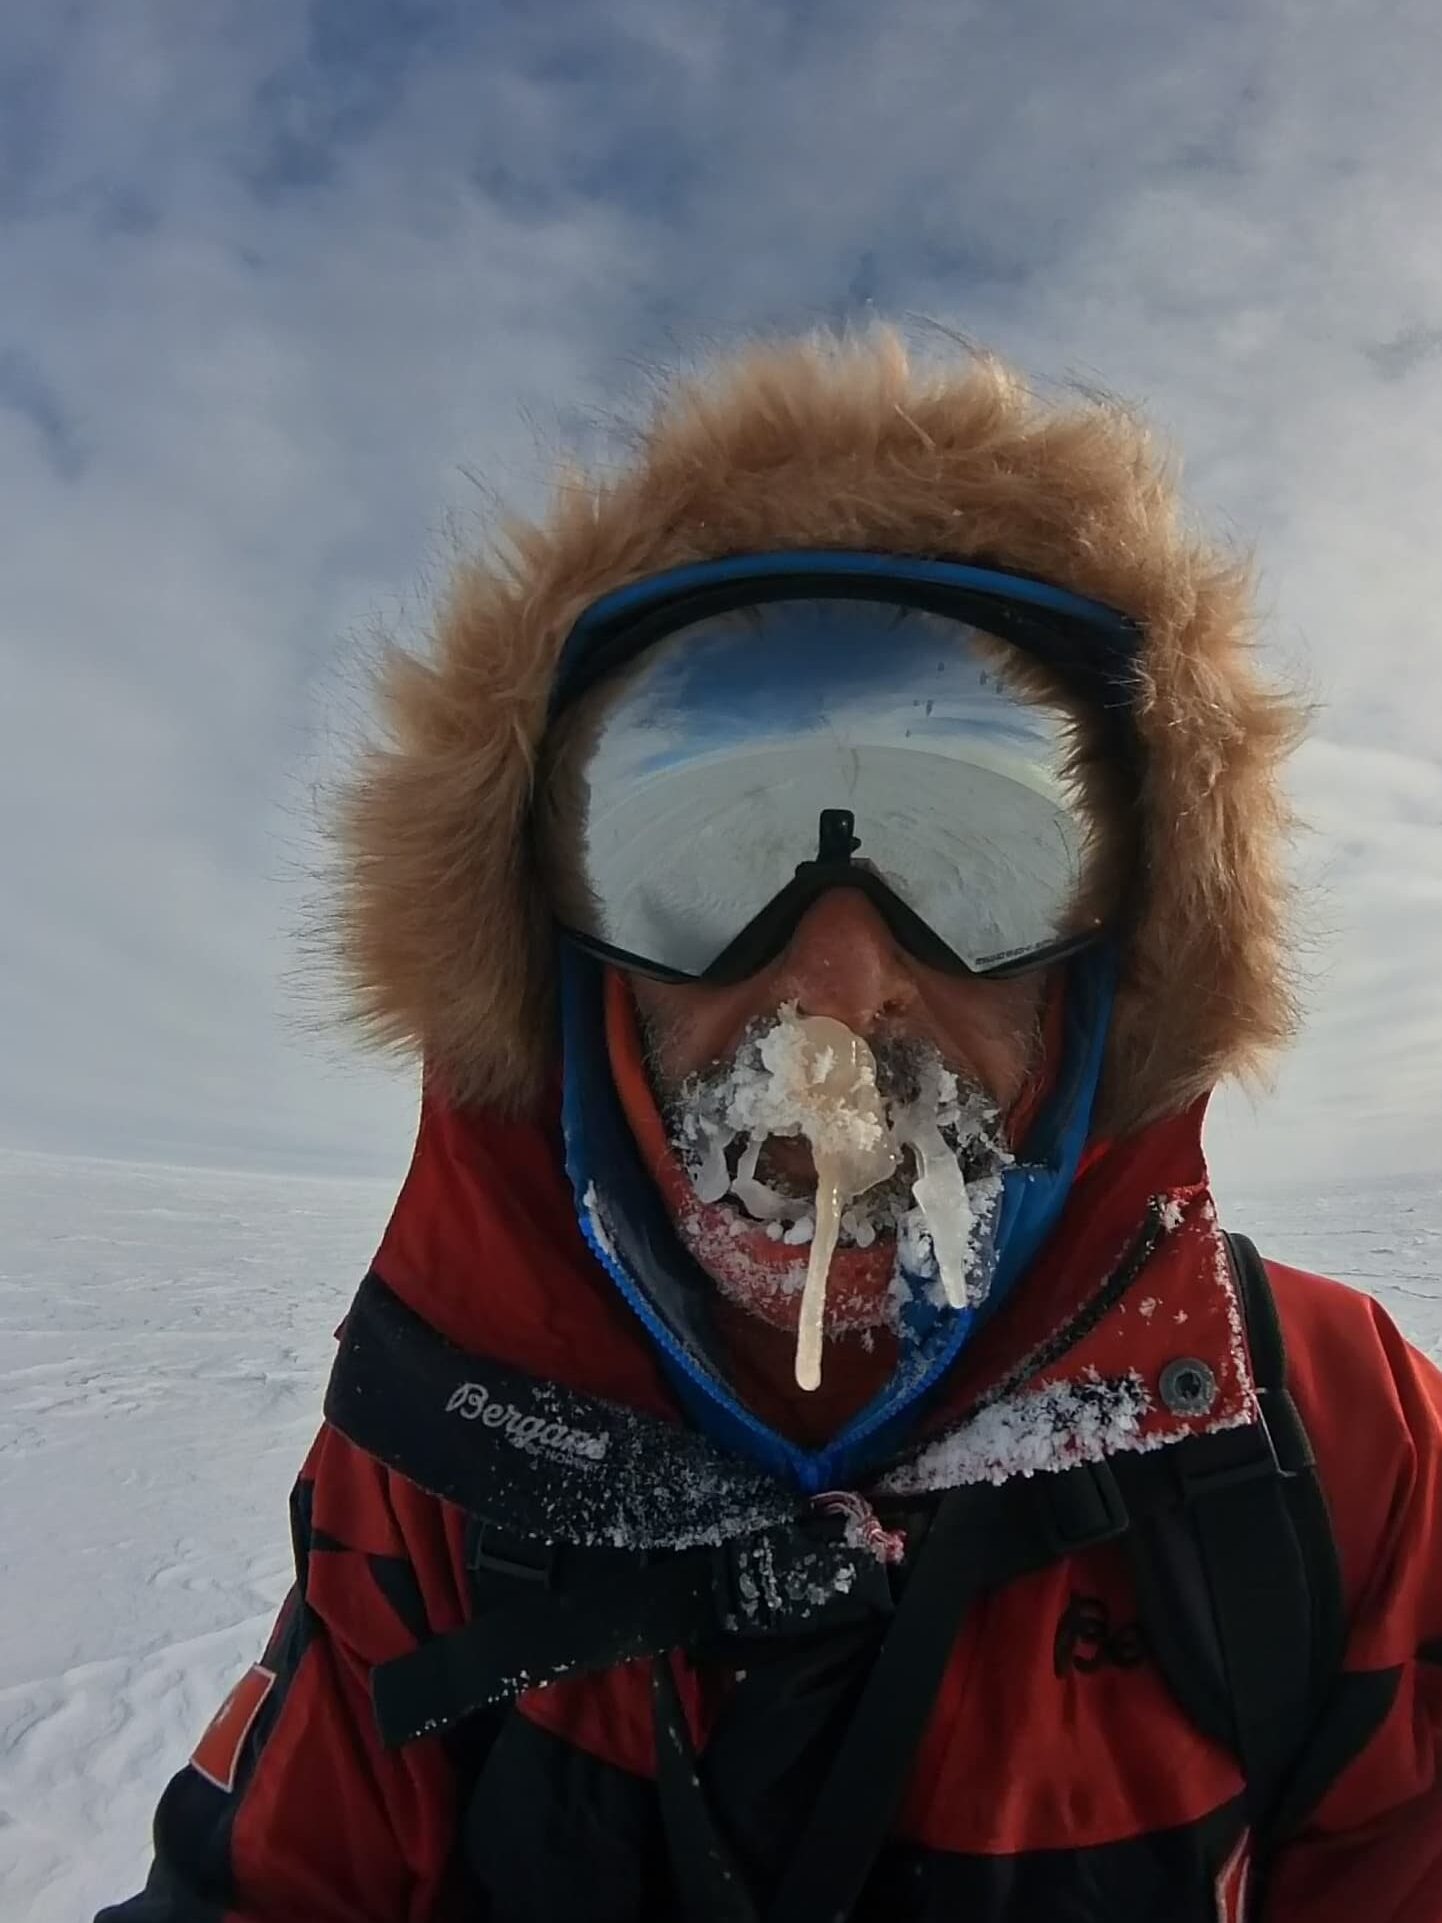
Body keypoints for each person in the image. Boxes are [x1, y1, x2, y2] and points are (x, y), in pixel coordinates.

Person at [101, 331, 1442, 1923]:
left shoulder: (1335, 1445)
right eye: (701, 869)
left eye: (974, 864)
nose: (838, 978)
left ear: (1114, 956)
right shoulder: (453, 1450)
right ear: (566, 959)